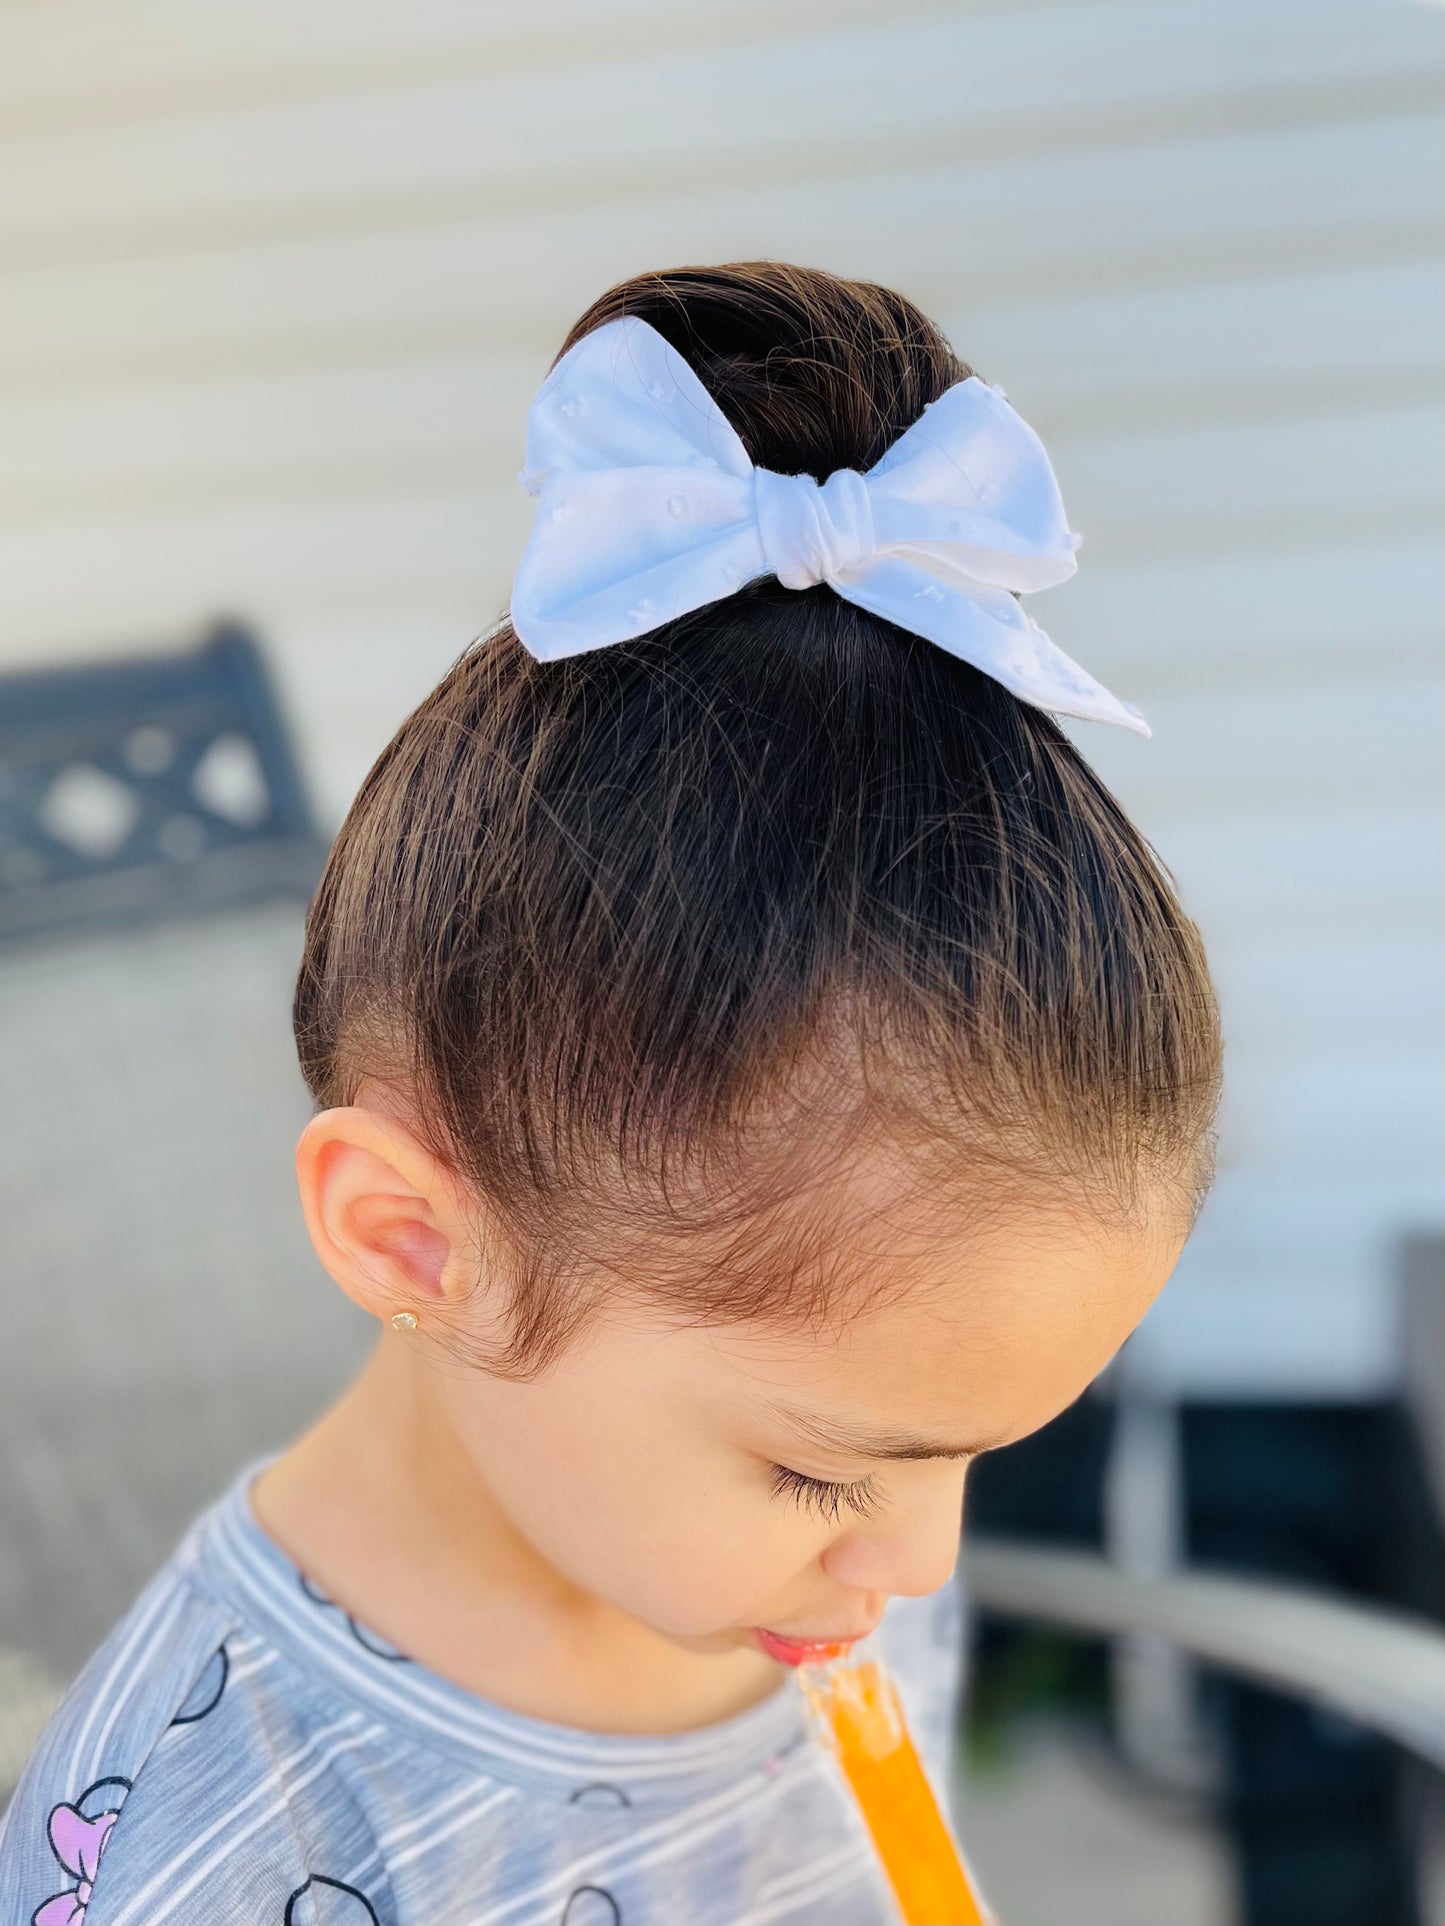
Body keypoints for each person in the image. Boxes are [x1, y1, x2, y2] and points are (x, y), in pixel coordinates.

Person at [0, 261, 1221, 1926]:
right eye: (819, 1470)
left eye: (975, 1453)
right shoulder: (201, 1852)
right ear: (417, 1242)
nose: (926, 1565)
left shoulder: (826, 1561)